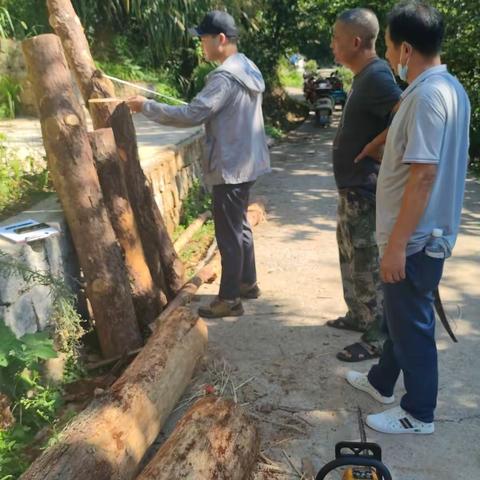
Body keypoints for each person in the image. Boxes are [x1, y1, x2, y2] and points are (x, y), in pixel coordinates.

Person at [346, 1, 470, 434]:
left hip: (415, 237)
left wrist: (398, 244)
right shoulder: (448, 88)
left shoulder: (429, 97)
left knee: (412, 325)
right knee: (401, 318)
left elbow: (424, 176)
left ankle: (419, 413)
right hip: (422, 232)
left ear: (403, 50)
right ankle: (382, 383)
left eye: (391, 46)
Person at [126, 11, 270, 318]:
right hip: (248, 161)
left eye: (203, 39)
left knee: (228, 233)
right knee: (240, 225)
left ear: (220, 39)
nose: (201, 45)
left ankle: (230, 299)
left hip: (230, 165)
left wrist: (146, 106)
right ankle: (247, 281)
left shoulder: (223, 77)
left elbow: (192, 114)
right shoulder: (249, 67)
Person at [328, 8, 402, 362]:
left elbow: (404, 115)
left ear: (355, 42)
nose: (332, 46)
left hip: (365, 190)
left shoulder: (377, 77)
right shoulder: (363, 76)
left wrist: (379, 148)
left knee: (366, 263)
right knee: (348, 254)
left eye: (336, 40)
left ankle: (377, 336)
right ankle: (358, 314)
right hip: (351, 189)